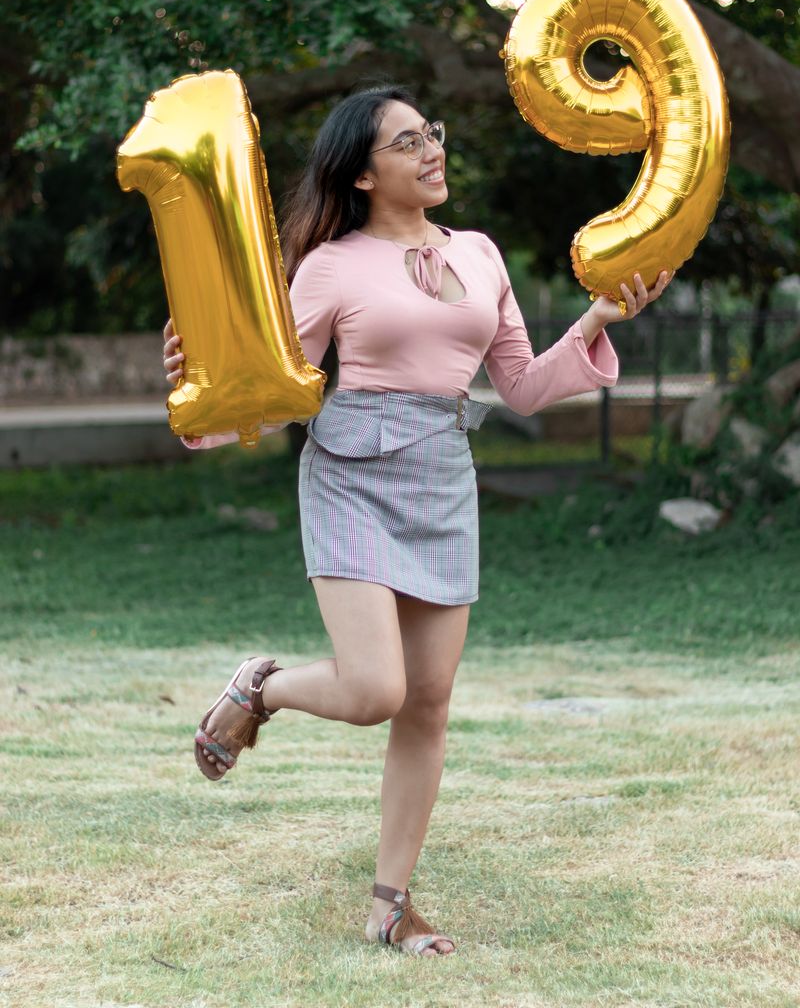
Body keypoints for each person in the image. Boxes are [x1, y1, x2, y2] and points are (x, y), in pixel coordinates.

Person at [162, 85, 672, 957]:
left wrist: (597, 318)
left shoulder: (480, 254)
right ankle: (262, 686)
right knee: (374, 692)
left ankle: (391, 904)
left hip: (442, 475)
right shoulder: (328, 268)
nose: (432, 149)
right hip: (351, 476)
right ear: (363, 173)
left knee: (427, 705)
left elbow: (518, 388)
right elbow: (276, 392)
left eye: (432, 132)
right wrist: (194, 378)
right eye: (408, 142)